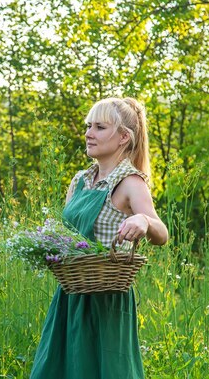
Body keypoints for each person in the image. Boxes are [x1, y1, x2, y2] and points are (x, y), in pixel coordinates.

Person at [29, 97, 169, 379]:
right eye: (88, 125)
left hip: (107, 300)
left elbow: (162, 233)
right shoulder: (79, 180)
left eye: (100, 127)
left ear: (123, 137)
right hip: (70, 296)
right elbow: (67, 235)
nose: (89, 133)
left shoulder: (131, 182)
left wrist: (142, 220)